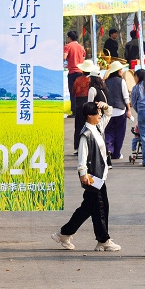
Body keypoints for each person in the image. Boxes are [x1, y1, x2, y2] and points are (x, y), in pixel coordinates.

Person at [52, 101, 121, 252]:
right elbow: (82, 158)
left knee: (88, 208)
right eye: (97, 113)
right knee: (101, 208)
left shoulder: (97, 127)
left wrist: (104, 106)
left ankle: (64, 233)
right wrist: (83, 174)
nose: (100, 115)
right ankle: (103, 240)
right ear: (90, 115)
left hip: (100, 176)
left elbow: (109, 113)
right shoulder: (86, 134)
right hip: (92, 177)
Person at [103, 61, 131, 162]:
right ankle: (116, 153)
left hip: (108, 112)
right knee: (120, 133)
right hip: (120, 111)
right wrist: (129, 109)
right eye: (121, 69)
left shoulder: (105, 82)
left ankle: (109, 148)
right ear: (118, 71)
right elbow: (126, 97)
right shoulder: (121, 81)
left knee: (109, 131)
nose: (122, 71)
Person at [72, 60, 97, 154]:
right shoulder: (92, 80)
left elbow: (73, 92)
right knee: (90, 126)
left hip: (79, 105)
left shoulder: (77, 80)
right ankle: (89, 146)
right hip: (89, 105)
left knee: (78, 126)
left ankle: (77, 147)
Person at [63, 30, 86, 114]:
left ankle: (74, 111)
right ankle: (81, 109)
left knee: (73, 92)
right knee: (80, 92)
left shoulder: (68, 46)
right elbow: (83, 58)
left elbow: (64, 57)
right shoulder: (81, 47)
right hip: (80, 72)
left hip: (72, 72)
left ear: (69, 38)